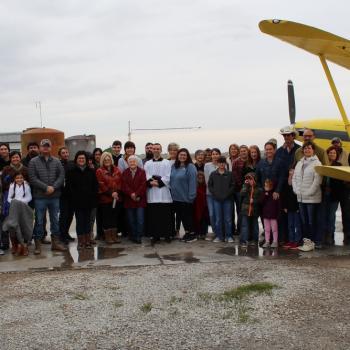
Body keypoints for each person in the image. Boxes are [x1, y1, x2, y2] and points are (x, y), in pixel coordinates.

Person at [28, 139, 67, 254]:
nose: (45, 148)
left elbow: (61, 176)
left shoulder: (56, 161)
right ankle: (38, 244)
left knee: (55, 220)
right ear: (40, 148)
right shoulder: (33, 162)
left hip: (54, 196)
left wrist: (53, 187)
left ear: (50, 148)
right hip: (40, 197)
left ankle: (55, 243)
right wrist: (46, 188)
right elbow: (33, 178)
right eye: (43, 146)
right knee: (39, 221)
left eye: (47, 146)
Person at [292, 141, 323, 251]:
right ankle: (307, 242)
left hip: (312, 198)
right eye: (305, 148)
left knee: (312, 221)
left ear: (313, 150)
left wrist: (309, 192)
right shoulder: (299, 163)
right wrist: (296, 189)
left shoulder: (317, 163)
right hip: (300, 197)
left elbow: (317, 180)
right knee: (304, 221)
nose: (307, 150)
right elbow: (294, 177)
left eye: (309, 148)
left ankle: (313, 242)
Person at [65, 151, 98, 250]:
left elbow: (95, 186)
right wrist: (74, 198)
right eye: (79, 158)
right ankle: (81, 241)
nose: (81, 160)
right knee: (80, 221)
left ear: (86, 160)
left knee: (88, 221)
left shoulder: (91, 171)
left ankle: (87, 240)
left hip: (89, 201)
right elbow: (69, 188)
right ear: (76, 160)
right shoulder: (71, 172)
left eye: (83, 158)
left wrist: (92, 197)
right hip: (77, 202)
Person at [144, 143, 173, 243]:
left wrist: (159, 182)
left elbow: (168, 176)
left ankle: (167, 235)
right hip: (152, 192)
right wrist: (151, 182)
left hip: (163, 192)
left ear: (161, 150)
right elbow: (146, 175)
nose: (156, 150)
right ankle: (155, 235)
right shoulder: (147, 163)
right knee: (154, 216)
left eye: (158, 149)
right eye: (154, 149)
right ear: (152, 150)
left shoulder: (166, 162)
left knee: (165, 215)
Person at [1, 151, 29, 251]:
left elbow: (29, 183)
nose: (15, 159)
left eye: (17, 157)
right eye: (13, 158)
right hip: (10, 199)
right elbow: (3, 185)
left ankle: (23, 244)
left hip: (23, 200)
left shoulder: (25, 169)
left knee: (23, 223)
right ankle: (14, 244)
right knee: (12, 223)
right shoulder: (6, 169)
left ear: (20, 158)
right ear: (11, 159)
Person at [170, 148, 197, 242]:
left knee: (187, 217)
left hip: (186, 198)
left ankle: (192, 235)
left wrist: (191, 196)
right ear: (178, 156)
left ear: (187, 156)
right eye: (180, 155)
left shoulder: (190, 167)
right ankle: (187, 233)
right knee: (181, 217)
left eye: (184, 155)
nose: (182, 156)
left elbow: (193, 182)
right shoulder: (174, 166)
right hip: (175, 198)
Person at [3, 172, 33, 256]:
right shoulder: (12, 186)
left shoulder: (26, 186)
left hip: (24, 208)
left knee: (24, 226)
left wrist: (21, 202)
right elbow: (9, 197)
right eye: (17, 178)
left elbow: (29, 197)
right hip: (14, 209)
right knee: (14, 226)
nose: (19, 179)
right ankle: (15, 245)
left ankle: (25, 246)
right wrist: (15, 202)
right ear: (14, 179)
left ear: (23, 178)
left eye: (21, 178)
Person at [96, 152, 123, 244]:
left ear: (111, 160)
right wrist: (111, 193)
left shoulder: (117, 170)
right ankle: (108, 237)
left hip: (116, 198)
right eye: (105, 159)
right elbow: (101, 185)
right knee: (107, 218)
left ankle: (114, 236)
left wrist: (116, 192)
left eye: (108, 159)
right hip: (105, 199)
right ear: (102, 161)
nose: (107, 161)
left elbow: (120, 183)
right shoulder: (99, 171)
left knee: (114, 218)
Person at [208, 156, 235, 242]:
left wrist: (227, 194)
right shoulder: (213, 174)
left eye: (223, 163)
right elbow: (210, 186)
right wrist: (215, 194)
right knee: (218, 219)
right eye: (220, 163)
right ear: (217, 164)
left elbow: (233, 186)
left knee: (228, 219)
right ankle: (219, 236)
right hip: (216, 200)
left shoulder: (230, 174)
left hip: (227, 199)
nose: (221, 164)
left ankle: (229, 236)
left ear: (225, 164)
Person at [121, 155, 147, 244]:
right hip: (129, 200)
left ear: (137, 162)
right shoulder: (125, 172)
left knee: (140, 220)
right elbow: (124, 186)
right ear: (128, 163)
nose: (132, 163)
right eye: (130, 162)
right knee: (131, 220)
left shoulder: (142, 172)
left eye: (134, 161)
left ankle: (139, 236)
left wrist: (136, 194)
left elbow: (143, 185)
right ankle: (133, 235)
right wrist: (131, 194)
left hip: (140, 200)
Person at [323, 146, 343, 245]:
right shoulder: (324, 165)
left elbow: (340, 183)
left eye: (334, 153)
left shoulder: (339, 166)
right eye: (330, 152)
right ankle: (324, 235)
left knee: (331, 216)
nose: (332, 154)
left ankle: (330, 236)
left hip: (334, 196)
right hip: (323, 195)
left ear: (337, 155)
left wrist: (331, 187)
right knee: (323, 216)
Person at [239, 172, 262, 247]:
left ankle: (254, 240)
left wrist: (254, 201)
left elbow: (260, 200)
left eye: (251, 179)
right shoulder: (245, 187)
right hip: (245, 210)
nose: (249, 181)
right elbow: (241, 194)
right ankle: (243, 241)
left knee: (255, 226)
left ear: (254, 180)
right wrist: (245, 185)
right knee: (244, 225)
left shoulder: (259, 189)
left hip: (254, 210)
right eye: (248, 179)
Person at [281, 168, 302, 249]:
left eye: (293, 173)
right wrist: (285, 206)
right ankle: (291, 240)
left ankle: (297, 241)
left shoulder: (297, 184)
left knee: (297, 225)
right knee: (290, 225)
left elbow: (299, 197)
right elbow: (285, 197)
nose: (291, 174)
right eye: (290, 173)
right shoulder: (286, 184)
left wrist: (298, 207)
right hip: (289, 208)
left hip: (296, 208)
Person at [58, 147, 75, 244]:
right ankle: (62, 235)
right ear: (59, 155)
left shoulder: (72, 163)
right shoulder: (58, 164)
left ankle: (66, 233)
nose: (65, 154)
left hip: (71, 194)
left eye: (66, 152)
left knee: (70, 215)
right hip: (62, 194)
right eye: (63, 153)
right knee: (63, 215)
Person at [231, 145, 250, 235]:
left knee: (249, 211)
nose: (243, 152)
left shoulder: (250, 161)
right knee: (240, 210)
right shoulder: (235, 162)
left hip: (250, 190)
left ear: (247, 151)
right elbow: (236, 177)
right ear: (240, 152)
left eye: (245, 151)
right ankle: (240, 229)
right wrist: (243, 188)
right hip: (239, 190)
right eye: (242, 151)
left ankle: (248, 229)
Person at [204, 148, 221, 240]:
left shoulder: (223, 165)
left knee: (219, 214)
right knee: (211, 214)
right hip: (210, 194)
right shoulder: (207, 165)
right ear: (211, 156)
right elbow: (207, 181)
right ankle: (215, 231)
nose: (215, 156)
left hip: (221, 195)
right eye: (213, 154)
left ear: (219, 155)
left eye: (216, 154)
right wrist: (213, 191)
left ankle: (220, 232)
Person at [261, 179, 280, 248]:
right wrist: (265, 195)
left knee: (274, 229)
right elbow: (261, 202)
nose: (266, 187)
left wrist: (278, 214)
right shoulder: (264, 193)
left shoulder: (274, 194)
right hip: (266, 215)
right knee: (267, 229)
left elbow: (278, 205)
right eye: (265, 186)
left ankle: (275, 241)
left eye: (267, 186)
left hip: (273, 215)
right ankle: (267, 241)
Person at [193, 171, 209, 240]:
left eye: (202, 177)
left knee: (204, 220)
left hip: (204, 206)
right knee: (196, 219)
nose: (200, 178)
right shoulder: (194, 186)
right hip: (196, 205)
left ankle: (203, 233)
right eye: (199, 177)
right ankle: (197, 233)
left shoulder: (206, 186)